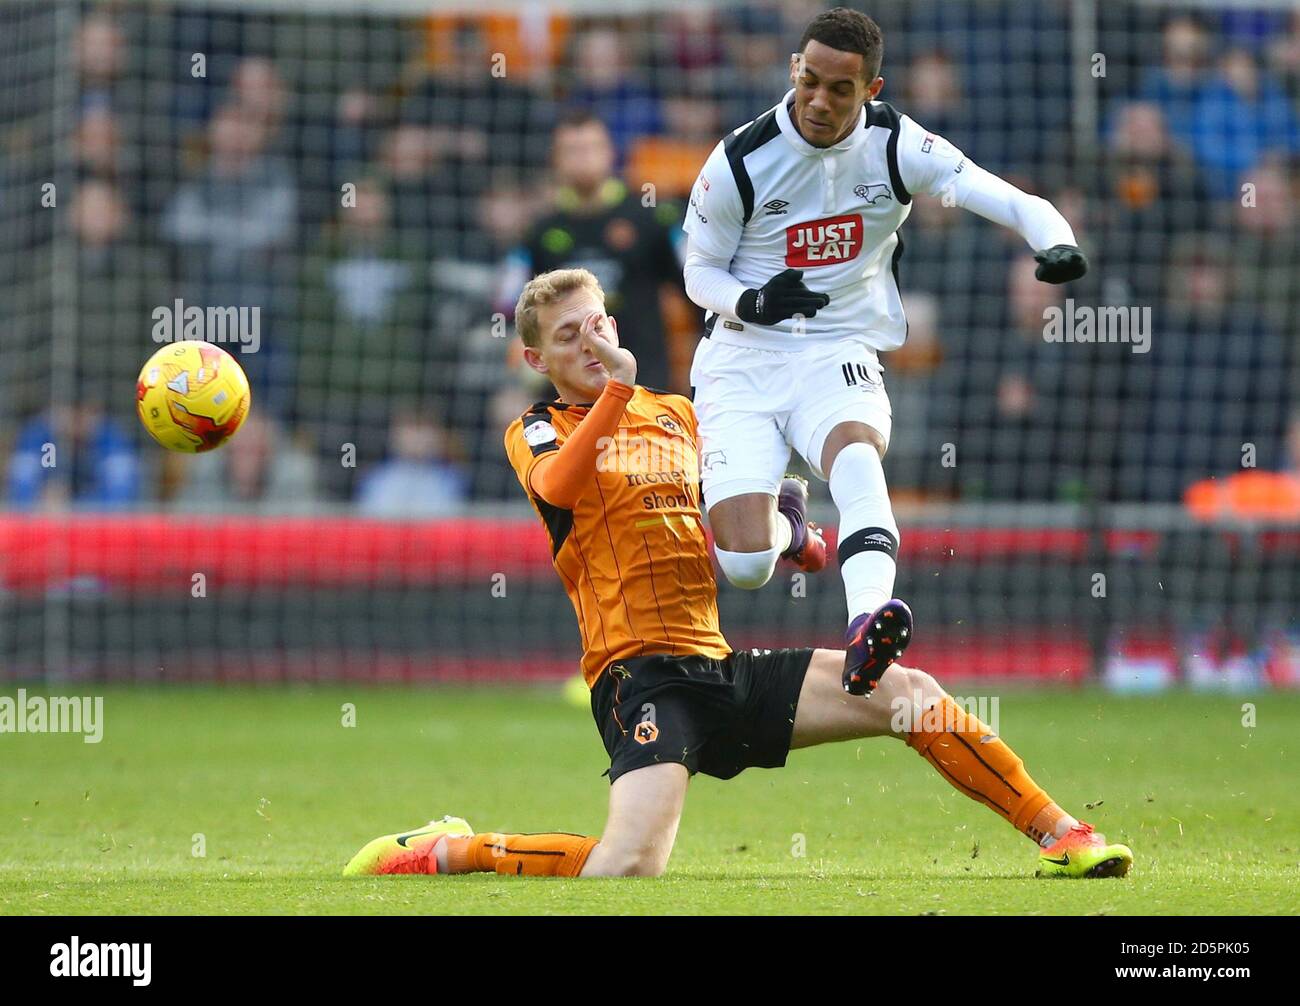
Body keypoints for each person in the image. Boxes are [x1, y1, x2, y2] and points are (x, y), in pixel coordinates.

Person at [342, 268, 1132, 881]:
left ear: (615, 323)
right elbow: (559, 489)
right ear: (535, 357)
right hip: (640, 679)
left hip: (718, 664)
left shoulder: (684, 416)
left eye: (597, 324)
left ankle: (1063, 835)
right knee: (629, 866)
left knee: (908, 693)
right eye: (567, 336)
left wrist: (793, 536)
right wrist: (618, 388)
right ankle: (452, 850)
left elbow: (732, 526)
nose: (589, 342)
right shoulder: (539, 427)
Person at [680, 8, 1087, 696]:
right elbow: (700, 271)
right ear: (793, 70)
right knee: (745, 564)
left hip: (839, 345)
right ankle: (791, 527)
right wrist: (753, 302)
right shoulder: (740, 160)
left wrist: (1054, 243)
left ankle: (868, 627)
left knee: (857, 457)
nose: (818, 100)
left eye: (840, 89)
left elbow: (1011, 199)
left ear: (871, 89)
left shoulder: (900, 145)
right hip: (742, 354)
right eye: (810, 80)